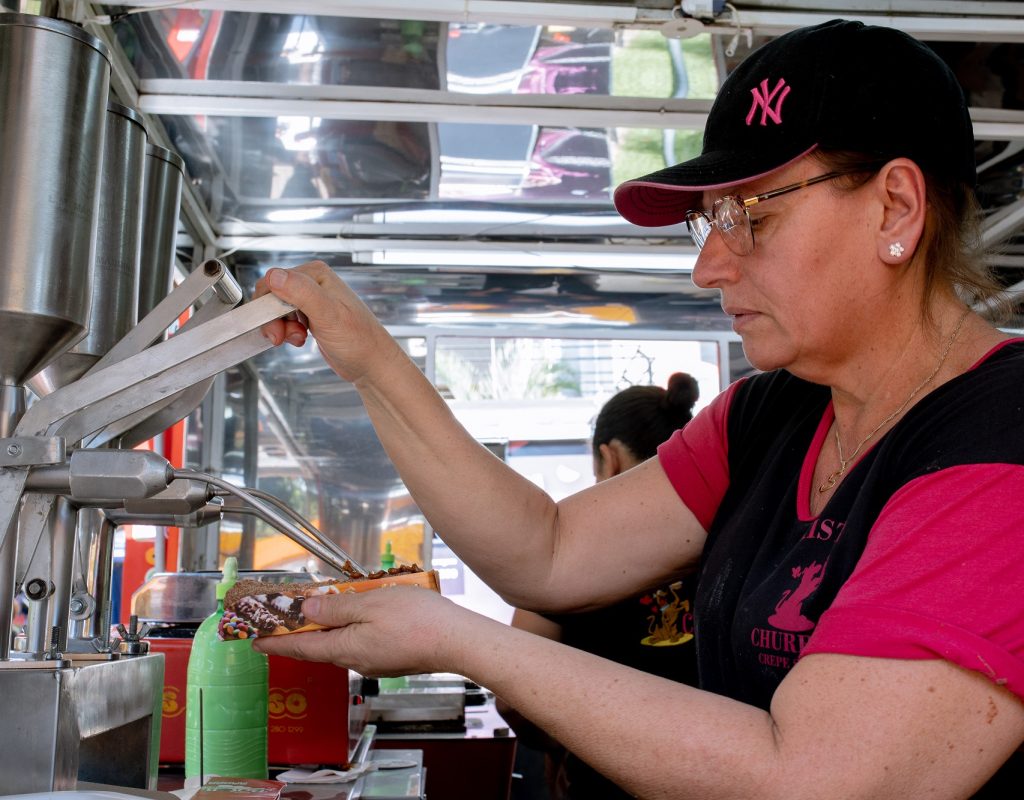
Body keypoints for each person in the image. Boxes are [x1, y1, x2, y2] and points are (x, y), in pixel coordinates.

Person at [253, 19, 1024, 798]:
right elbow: (546, 552)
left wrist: (462, 641)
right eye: (709, 220)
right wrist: (371, 361)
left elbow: (815, 780)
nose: (706, 266)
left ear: (895, 208)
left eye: (749, 216)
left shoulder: (1002, 437)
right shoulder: (768, 416)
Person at [497, 374, 702, 800]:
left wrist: (567, 746)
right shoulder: (732, 539)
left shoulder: (568, 552)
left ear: (608, 459)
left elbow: (513, 699)